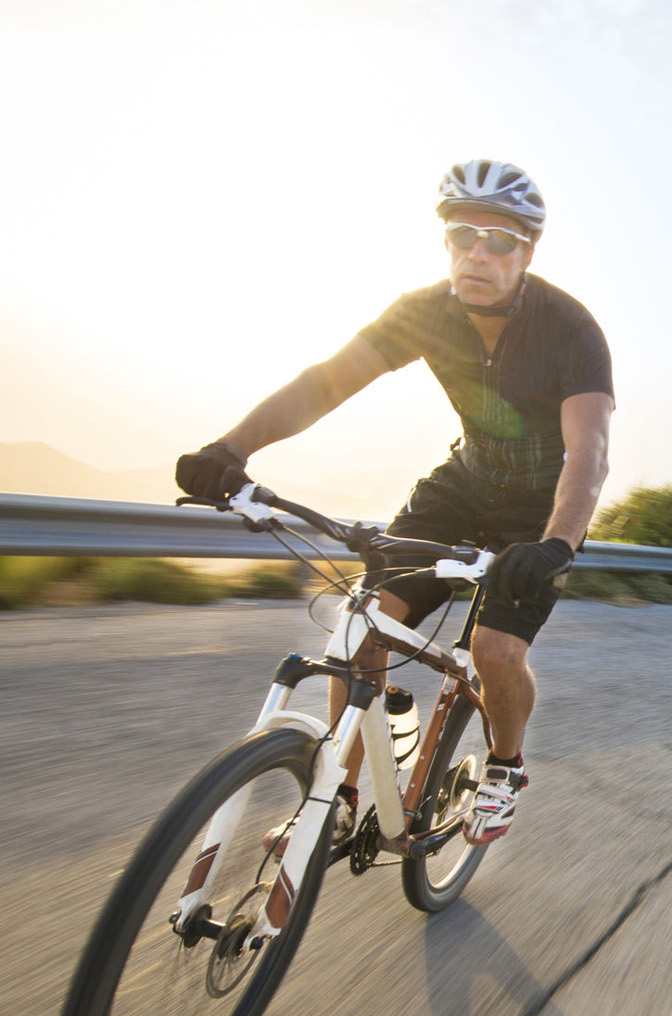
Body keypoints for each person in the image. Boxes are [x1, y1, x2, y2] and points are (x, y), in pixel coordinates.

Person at [175, 159, 615, 844]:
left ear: (527, 251)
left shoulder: (570, 329)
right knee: (360, 625)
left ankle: (504, 766)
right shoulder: (424, 313)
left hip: (541, 509)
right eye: (462, 233)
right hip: (464, 483)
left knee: (496, 649)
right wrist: (232, 450)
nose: (478, 251)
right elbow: (324, 383)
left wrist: (556, 545)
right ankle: (339, 797)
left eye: (500, 240)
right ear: (445, 242)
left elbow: (588, 451)